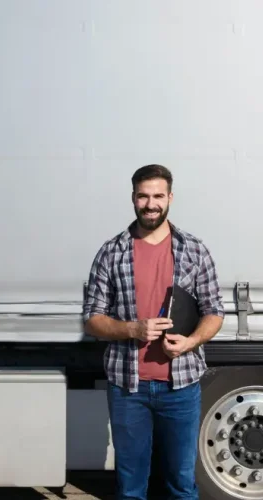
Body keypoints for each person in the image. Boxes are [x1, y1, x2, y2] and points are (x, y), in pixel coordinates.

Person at [82, 164, 226, 500]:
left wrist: (190, 342)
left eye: (158, 196)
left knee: (182, 484)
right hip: (128, 388)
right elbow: (92, 318)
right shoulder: (111, 252)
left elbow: (215, 311)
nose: (151, 204)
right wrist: (133, 328)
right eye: (143, 196)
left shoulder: (194, 250)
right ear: (133, 198)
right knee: (130, 487)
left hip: (181, 387)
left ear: (170, 197)